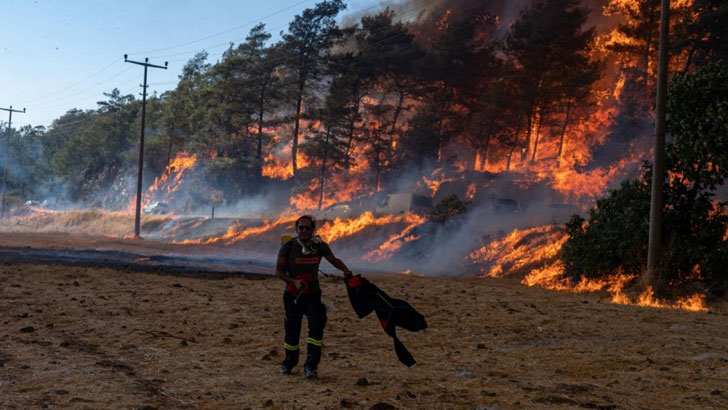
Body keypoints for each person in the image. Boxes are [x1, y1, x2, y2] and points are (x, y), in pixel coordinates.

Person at [276, 215, 353, 378]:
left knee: (316, 329)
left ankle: (311, 366)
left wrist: (345, 270)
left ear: (313, 230)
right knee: (292, 330)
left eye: (307, 228)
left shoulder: (320, 246)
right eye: (301, 228)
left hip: (312, 294)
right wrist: (293, 282)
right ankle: (288, 363)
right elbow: (278, 271)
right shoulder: (288, 247)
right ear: (297, 229)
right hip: (292, 295)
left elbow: (334, 260)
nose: (303, 231)